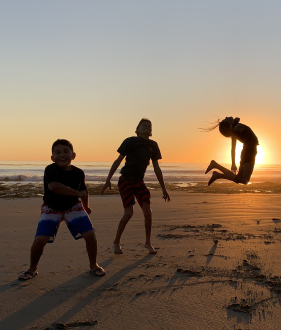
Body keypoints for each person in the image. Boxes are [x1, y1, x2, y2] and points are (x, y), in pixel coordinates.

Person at [18, 139, 105, 281]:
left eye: (66, 151)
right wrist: (77, 194)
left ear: (73, 155)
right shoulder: (50, 169)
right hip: (51, 208)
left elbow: (83, 190)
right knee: (40, 239)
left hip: (73, 207)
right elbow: (54, 186)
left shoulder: (78, 172)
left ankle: (93, 265)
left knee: (90, 235)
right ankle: (32, 269)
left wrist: (86, 206)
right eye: (57, 152)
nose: (62, 155)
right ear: (52, 157)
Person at [101, 118, 170, 255]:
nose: (147, 127)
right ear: (137, 130)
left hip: (139, 182)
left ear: (151, 132)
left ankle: (148, 243)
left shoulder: (153, 145)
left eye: (149, 126)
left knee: (148, 212)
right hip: (125, 181)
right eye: (144, 125)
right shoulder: (130, 141)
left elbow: (157, 168)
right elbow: (118, 161)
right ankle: (116, 242)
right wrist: (108, 179)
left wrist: (164, 188)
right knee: (128, 213)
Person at [204, 117, 259, 186]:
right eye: (225, 119)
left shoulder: (233, 133)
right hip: (250, 151)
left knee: (239, 179)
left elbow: (233, 149)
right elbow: (237, 126)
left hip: (245, 152)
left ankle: (216, 171)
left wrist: (233, 164)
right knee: (245, 180)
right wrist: (234, 124)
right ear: (229, 123)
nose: (226, 117)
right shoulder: (235, 128)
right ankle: (217, 172)